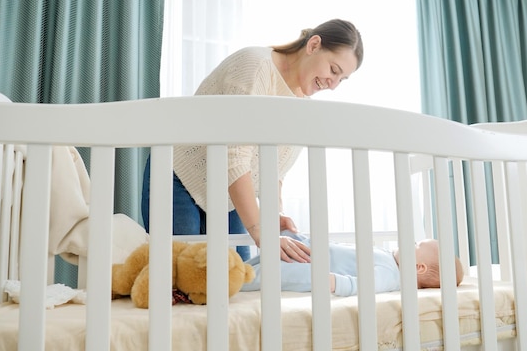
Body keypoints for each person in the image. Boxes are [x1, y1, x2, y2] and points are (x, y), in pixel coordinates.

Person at [141, 19, 364, 262]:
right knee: (181, 277)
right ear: (313, 45)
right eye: (333, 70)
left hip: (227, 197)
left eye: (341, 79)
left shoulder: (302, 106)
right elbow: (234, 157)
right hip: (180, 177)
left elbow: (273, 172)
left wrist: (273, 214)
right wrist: (261, 233)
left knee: (237, 280)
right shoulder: (255, 65)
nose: (333, 85)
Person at [241, 232, 464, 296]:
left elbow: (365, 286)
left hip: (313, 268)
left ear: (419, 267)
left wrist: (334, 282)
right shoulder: (390, 259)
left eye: (416, 245)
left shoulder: (391, 275)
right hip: (307, 250)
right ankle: (228, 273)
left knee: (270, 273)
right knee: (256, 264)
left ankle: (227, 282)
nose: (410, 242)